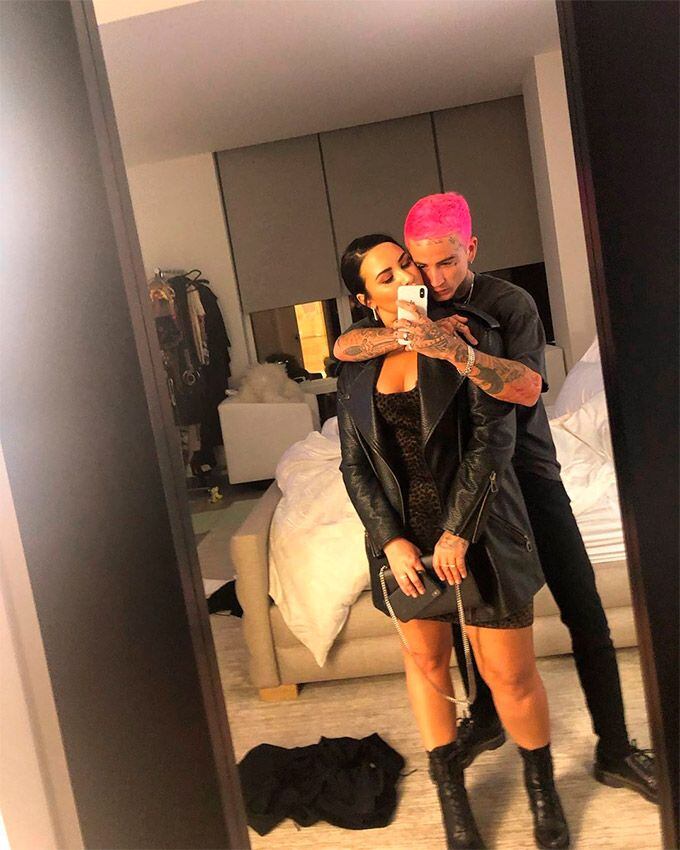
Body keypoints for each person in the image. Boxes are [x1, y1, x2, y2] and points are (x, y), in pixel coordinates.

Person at [333, 193, 657, 803]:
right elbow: (345, 348)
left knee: (582, 605)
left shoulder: (509, 304)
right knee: (464, 607)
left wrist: (453, 350)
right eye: (419, 264)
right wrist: (408, 334)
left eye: (447, 262)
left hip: (525, 473)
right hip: (460, 479)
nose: (432, 278)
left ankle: (614, 749)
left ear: (471, 249)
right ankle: (485, 720)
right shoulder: (413, 305)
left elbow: (529, 389)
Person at [337, 234, 570, 850]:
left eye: (405, 264)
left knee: (510, 675)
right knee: (427, 665)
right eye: (386, 276)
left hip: (481, 528)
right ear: (365, 299)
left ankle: (541, 788)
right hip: (404, 545)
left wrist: (457, 532)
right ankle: (452, 798)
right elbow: (353, 464)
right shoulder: (357, 361)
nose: (408, 277)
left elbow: (494, 442)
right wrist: (389, 540)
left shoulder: (468, 334)